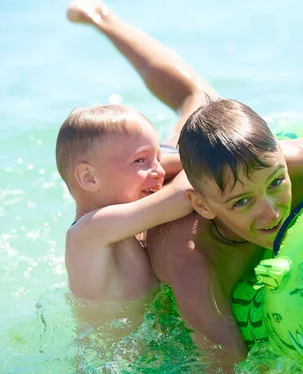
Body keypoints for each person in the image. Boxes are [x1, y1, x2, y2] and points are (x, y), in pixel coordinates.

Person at [66, 0, 303, 374]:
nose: (271, 213)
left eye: (277, 182)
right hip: (179, 194)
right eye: (243, 201)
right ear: (201, 205)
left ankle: (103, 16)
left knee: (198, 96)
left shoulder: (281, 158)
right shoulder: (189, 263)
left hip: (196, 170)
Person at [60, 0, 218, 334]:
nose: (158, 171)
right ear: (88, 177)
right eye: (141, 161)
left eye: (157, 160)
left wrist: (154, 161)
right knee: (200, 99)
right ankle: (98, 16)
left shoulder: (126, 207)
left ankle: (101, 17)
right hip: (115, 371)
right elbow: (184, 192)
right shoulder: (89, 233)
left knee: (201, 97)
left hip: (148, 340)